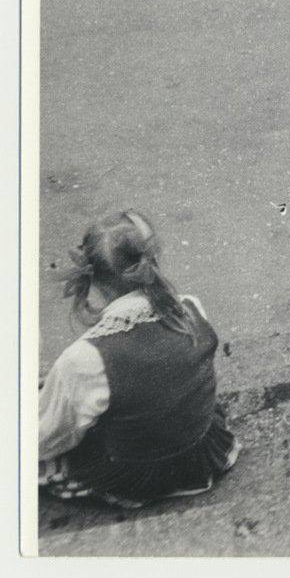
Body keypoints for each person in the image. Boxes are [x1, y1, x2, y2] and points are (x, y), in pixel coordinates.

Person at [39, 211, 241, 508]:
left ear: (92, 275)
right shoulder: (190, 308)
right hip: (200, 449)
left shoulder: (84, 358)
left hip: (140, 471)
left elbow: (52, 436)